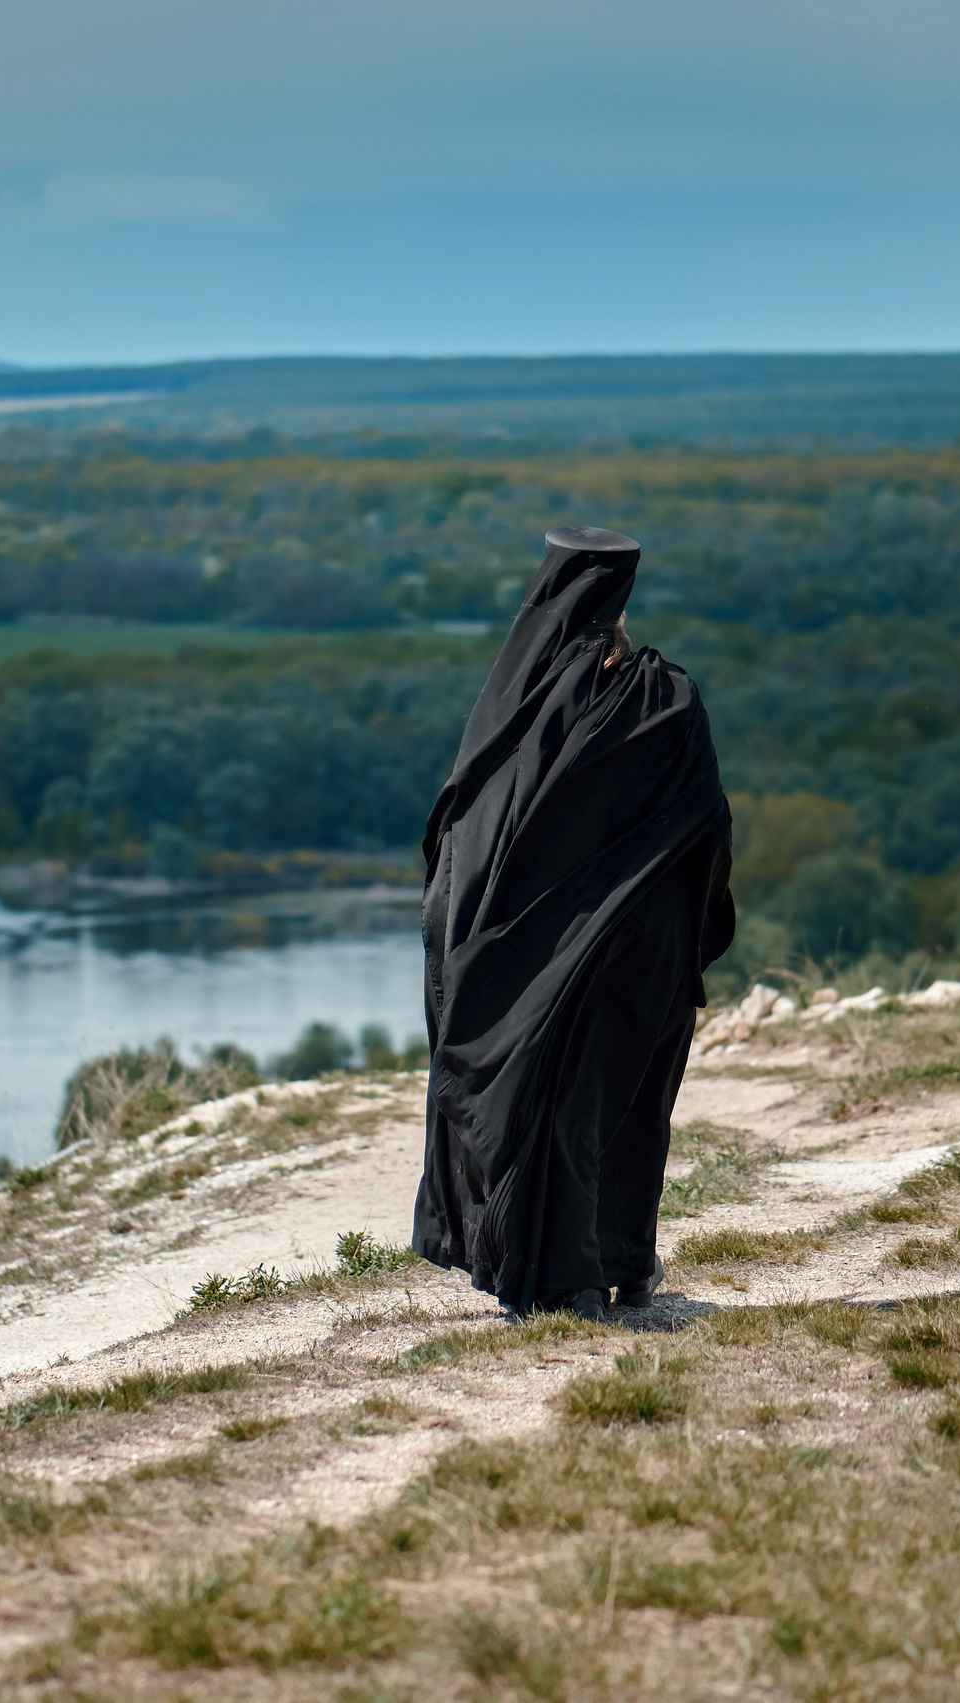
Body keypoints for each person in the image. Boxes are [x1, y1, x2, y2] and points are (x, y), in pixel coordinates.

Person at [411, 526, 735, 1320]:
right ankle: (627, 1261)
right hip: (652, 936)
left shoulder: (521, 708)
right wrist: (688, 930)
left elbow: (471, 835)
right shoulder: (669, 694)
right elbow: (709, 821)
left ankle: (569, 1281)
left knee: (556, 1103)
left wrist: (474, 945)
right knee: (628, 1099)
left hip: (554, 945)